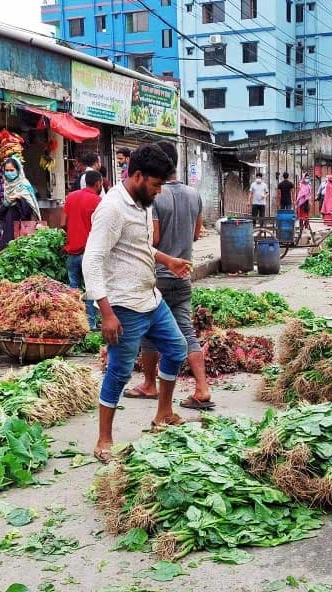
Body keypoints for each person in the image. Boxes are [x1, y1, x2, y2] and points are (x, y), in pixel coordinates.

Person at [82, 144, 193, 463]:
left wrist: (167, 260)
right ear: (138, 176)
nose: (159, 192)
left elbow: (140, 246)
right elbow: (92, 261)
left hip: (150, 297)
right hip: (123, 306)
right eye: (156, 185)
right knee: (118, 372)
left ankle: (163, 415)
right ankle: (104, 439)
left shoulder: (143, 202)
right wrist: (105, 312)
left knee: (176, 348)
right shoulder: (111, 208)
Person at [127, 141, 213, 411]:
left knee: (149, 334)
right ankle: (202, 388)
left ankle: (150, 385)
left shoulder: (155, 196)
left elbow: (153, 239)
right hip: (183, 275)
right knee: (187, 331)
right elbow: (197, 234)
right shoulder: (193, 194)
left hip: (158, 276)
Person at [64, 169, 103, 328]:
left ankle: (75, 323)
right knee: (91, 290)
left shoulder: (71, 197)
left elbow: (62, 222)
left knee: (74, 289)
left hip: (72, 251)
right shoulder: (99, 201)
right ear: (99, 183)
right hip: (90, 253)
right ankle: (90, 325)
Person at [0, 157, 40, 250]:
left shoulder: (23, 185)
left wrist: (20, 198)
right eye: (7, 170)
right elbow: (7, 203)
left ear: (18, 170)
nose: (9, 173)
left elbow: (29, 207)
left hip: (21, 223)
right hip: (9, 221)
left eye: (12, 170)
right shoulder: (7, 185)